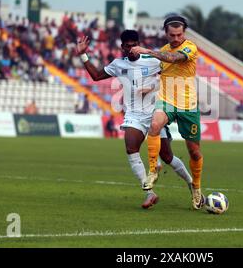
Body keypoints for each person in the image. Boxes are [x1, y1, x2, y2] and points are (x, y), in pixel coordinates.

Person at [76, 30, 193, 209]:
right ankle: (149, 193)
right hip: (134, 115)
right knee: (131, 148)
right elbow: (96, 76)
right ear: (122, 47)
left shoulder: (153, 60)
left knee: (167, 156)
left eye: (134, 45)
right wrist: (83, 55)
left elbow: (172, 78)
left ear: (138, 44)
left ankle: (192, 184)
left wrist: (153, 87)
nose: (131, 49)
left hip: (156, 113)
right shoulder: (118, 64)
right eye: (128, 46)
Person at [130, 16, 205, 210]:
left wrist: (147, 51)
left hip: (188, 105)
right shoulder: (162, 51)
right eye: (172, 35)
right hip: (167, 102)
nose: (176, 38)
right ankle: (153, 170)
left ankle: (196, 187)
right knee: (154, 125)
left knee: (194, 152)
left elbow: (174, 58)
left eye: (179, 34)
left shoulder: (190, 48)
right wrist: (150, 88)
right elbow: (161, 74)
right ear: (166, 33)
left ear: (184, 33)